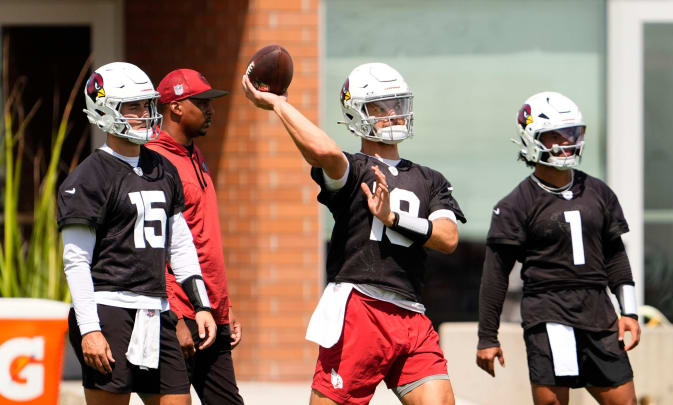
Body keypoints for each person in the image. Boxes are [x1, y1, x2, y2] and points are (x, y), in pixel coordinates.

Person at [242, 63, 466, 405]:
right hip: (361, 307)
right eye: (380, 107)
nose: (393, 114)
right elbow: (325, 153)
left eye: (397, 104)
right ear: (356, 113)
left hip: (411, 312)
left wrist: (393, 217)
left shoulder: (429, 178)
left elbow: (448, 238)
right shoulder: (354, 169)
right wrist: (279, 105)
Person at [58, 62, 217, 405]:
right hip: (109, 308)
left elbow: (180, 243)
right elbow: (76, 262)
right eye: (133, 106)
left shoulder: (163, 167)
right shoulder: (88, 178)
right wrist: (90, 329)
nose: (145, 114)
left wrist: (200, 304)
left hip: (156, 310)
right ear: (104, 109)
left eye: (147, 105)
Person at [475, 91, 641, 405]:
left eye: (572, 134)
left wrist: (629, 311)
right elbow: (495, 276)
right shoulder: (515, 205)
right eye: (555, 136)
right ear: (531, 139)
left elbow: (615, 255)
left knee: (624, 402)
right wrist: (487, 336)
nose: (566, 143)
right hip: (547, 311)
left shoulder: (599, 192)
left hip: (598, 311)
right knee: (552, 403)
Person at [146, 68, 244, 405]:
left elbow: (206, 239)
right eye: (201, 103)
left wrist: (223, 306)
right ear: (175, 107)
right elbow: (154, 247)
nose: (210, 110)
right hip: (180, 313)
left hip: (210, 311)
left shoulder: (194, 154)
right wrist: (173, 319)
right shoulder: (153, 161)